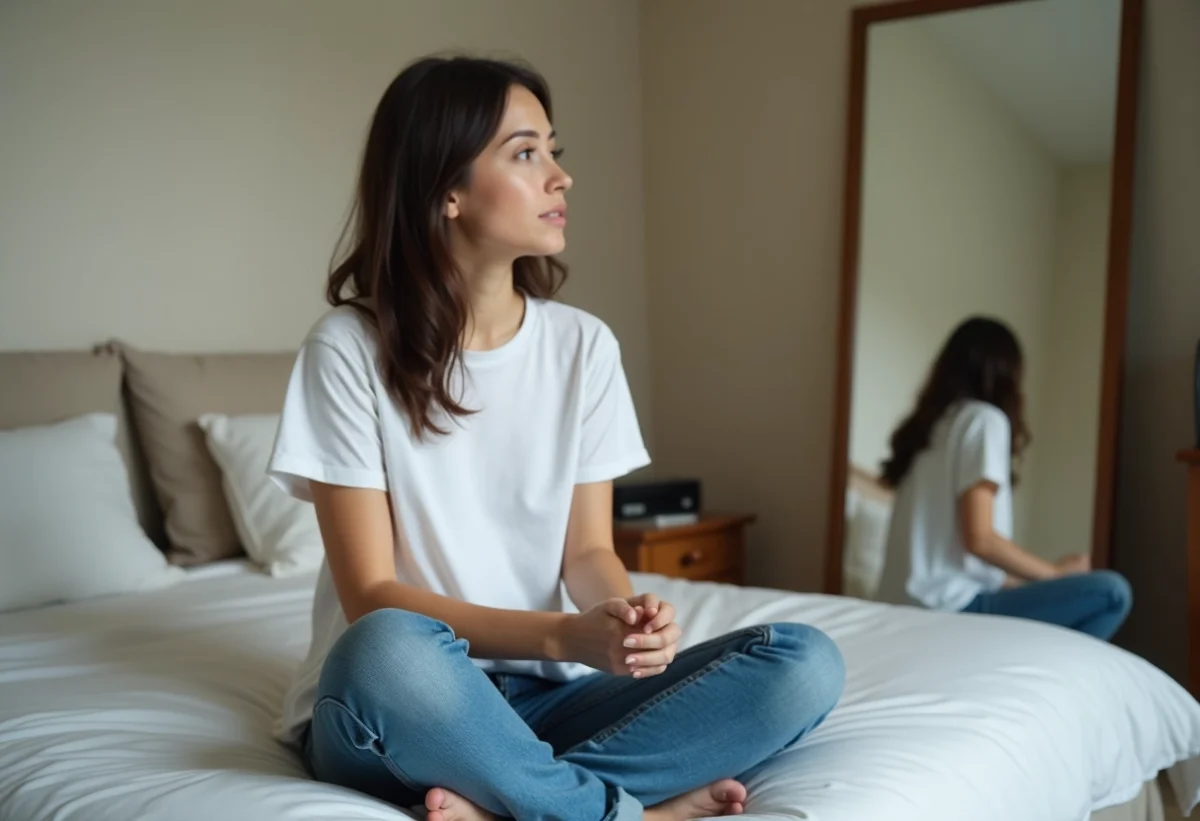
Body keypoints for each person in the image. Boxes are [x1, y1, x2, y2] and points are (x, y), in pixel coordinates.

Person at [266, 55, 844, 821]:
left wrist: (620, 617)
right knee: (388, 648)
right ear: (445, 188)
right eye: (526, 152)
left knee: (802, 663)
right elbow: (371, 596)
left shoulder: (583, 346)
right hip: (408, 702)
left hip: (542, 704)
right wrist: (564, 635)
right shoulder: (346, 347)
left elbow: (586, 553)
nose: (560, 177)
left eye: (553, 150)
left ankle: (517, 799)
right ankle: (619, 812)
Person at [872, 316, 1132, 641]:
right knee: (1111, 593)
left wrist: (1040, 584)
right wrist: (1054, 574)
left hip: (898, 610)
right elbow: (979, 539)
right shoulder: (983, 420)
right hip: (949, 611)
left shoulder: (929, 430)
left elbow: (962, 565)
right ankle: (1053, 675)